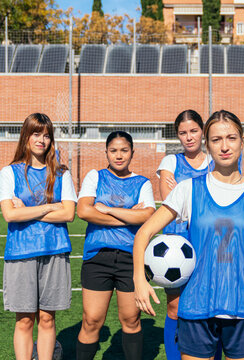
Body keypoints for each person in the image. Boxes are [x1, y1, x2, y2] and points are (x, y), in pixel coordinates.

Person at [134, 110, 244, 359]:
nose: (224, 146)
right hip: (196, 307)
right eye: (216, 140)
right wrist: (139, 279)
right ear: (207, 145)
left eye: (231, 138)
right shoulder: (188, 189)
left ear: (243, 141)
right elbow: (144, 233)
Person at [0, 113, 77, 360]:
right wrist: (49, 207)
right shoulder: (9, 173)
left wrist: (28, 211)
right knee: (24, 320)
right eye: (36, 133)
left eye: (46, 135)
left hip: (54, 250)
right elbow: (10, 215)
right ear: (26, 136)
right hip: (21, 253)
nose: (41, 140)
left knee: (47, 317)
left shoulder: (62, 173)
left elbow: (69, 213)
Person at [75, 131, 155, 360]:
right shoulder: (95, 176)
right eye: (113, 150)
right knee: (91, 320)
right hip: (97, 257)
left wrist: (107, 209)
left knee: (130, 319)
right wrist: (129, 215)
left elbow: (148, 216)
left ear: (132, 152)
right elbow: (83, 211)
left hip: (132, 259)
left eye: (124, 150)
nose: (119, 155)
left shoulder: (142, 183)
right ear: (106, 152)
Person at [156, 109, 213, 359]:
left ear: (202, 131)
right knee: (175, 307)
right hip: (175, 247)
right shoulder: (170, 162)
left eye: (193, 131)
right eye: (182, 132)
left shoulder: (217, 160)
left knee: (212, 307)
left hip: (210, 241)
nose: (188, 137)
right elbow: (169, 200)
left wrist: (185, 195)